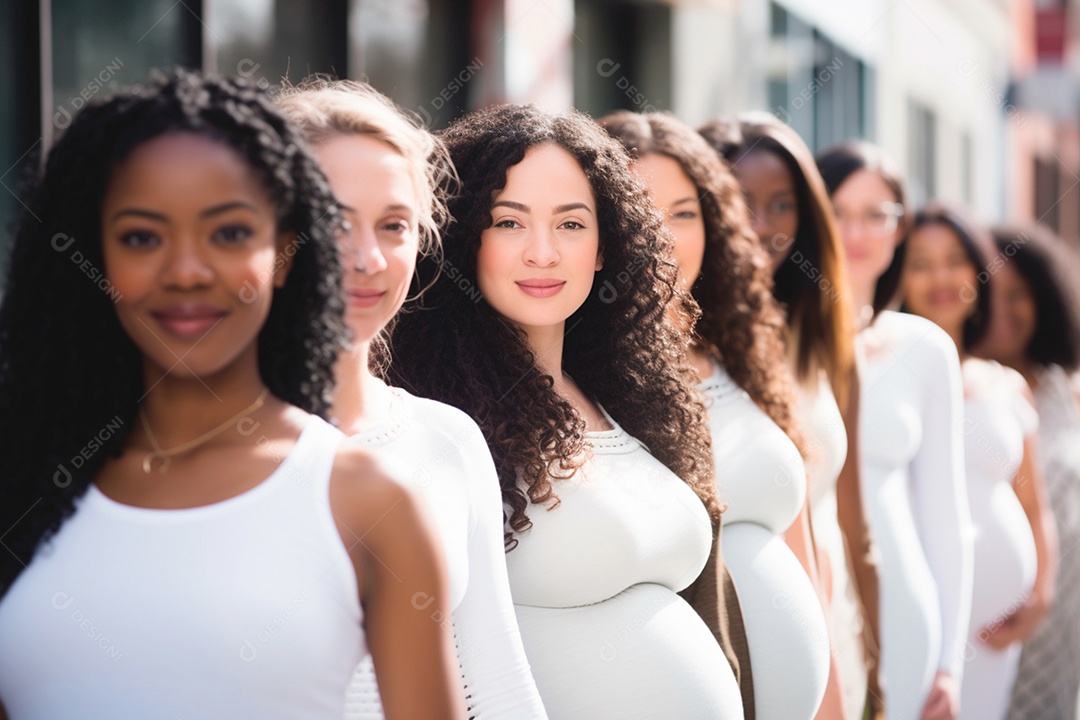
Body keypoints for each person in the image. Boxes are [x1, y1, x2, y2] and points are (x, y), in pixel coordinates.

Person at [0, 70, 463, 720]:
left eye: (229, 234)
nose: (187, 269)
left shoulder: (369, 499)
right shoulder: (21, 480)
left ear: (284, 253)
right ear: (94, 257)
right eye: (141, 237)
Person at [387, 103, 744, 719]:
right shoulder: (432, 423)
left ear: (606, 246)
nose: (543, 253)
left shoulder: (634, 396)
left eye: (572, 224)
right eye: (508, 223)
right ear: (460, 235)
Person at [276, 78, 547, 719]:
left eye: (394, 225)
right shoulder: (197, 450)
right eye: (332, 223)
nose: (368, 258)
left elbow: (498, 683)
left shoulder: (445, 439)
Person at [600, 110, 829, 720]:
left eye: (684, 213)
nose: (667, 238)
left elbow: (800, 542)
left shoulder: (741, 348)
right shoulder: (589, 375)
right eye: (643, 212)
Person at [701, 112, 882, 720]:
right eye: (740, 201)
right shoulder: (685, 347)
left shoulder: (822, 336)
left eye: (782, 204)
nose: (762, 225)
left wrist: (874, 642)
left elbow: (853, 515)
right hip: (728, 651)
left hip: (832, 630)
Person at [817, 141, 973, 720]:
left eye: (877, 214)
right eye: (837, 211)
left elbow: (946, 514)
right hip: (813, 606)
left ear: (900, 228)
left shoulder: (925, 348)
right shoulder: (775, 346)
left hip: (906, 612)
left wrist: (951, 663)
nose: (856, 231)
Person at [900, 206, 1057, 720]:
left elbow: (1034, 505)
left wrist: (1039, 595)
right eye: (921, 263)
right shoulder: (883, 370)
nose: (941, 277)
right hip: (918, 621)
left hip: (996, 635)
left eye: (955, 260)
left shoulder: (1004, 384)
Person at [974, 223, 1080, 720]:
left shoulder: (1067, 392)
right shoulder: (958, 388)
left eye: (1019, 293)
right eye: (991, 292)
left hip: (1062, 615)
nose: (1004, 308)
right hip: (985, 624)